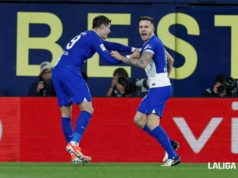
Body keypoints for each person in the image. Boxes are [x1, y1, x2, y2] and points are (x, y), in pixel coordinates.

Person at [52, 15, 136, 164]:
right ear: (102, 27)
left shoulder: (88, 35)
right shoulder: (93, 37)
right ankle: (75, 144)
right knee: (88, 109)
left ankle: (74, 156)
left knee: (66, 113)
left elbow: (111, 44)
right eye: (109, 27)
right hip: (70, 72)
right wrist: (129, 57)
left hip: (57, 72)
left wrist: (132, 48)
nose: (109, 31)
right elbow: (109, 59)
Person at [111, 16, 181, 166]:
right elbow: (171, 60)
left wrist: (122, 58)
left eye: (146, 27)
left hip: (159, 87)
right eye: (141, 27)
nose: (143, 29)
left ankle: (173, 155)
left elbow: (143, 63)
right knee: (138, 120)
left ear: (152, 28)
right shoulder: (153, 43)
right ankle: (169, 143)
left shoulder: (152, 43)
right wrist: (164, 77)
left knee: (152, 123)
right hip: (159, 86)